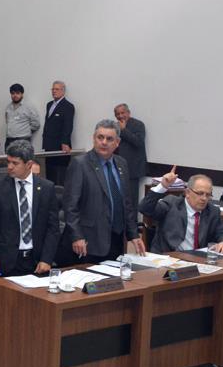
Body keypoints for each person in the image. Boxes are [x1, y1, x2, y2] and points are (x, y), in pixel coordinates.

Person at [62, 119, 145, 264]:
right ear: (94, 139)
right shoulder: (80, 164)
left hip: (116, 238)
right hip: (87, 242)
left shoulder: (122, 163)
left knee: (113, 283)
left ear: (117, 142)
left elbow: (127, 203)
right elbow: (70, 206)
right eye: (100, 137)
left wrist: (134, 234)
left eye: (109, 139)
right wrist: (77, 236)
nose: (104, 142)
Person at [0, 140, 61, 277]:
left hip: (36, 260)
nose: (10, 167)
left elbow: (53, 227)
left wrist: (46, 259)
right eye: (8, 162)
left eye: (15, 163)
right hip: (7, 260)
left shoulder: (46, 188)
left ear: (29, 164)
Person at [139, 168, 223, 254]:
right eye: (200, 193)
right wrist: (162, 186)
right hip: (168, 257)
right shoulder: (172, 204)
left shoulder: (212, 211)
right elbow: (145, 208)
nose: (204, 198)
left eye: (208, 195)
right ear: (188, 193)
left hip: (197, 260)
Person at [114, 103, 147, 206]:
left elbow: (138, 142)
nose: (120, 116)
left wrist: (124, 130)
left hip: (132, 169)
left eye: (122, 113)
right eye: (117, 114)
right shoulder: (114, 126)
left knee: (131, 200)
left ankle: (132, 222)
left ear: (128, 113)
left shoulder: (138, 124)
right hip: (117, 167)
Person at [42, 81, 75, 185]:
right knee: (50, 175)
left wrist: (65, 142)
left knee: (61, 176)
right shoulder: (49, 105)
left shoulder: (68, 106)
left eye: (57, 89)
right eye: (53, 89)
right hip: (49, 146)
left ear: (63, 91)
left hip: (61, 147)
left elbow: (68, 125)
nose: (54, 91)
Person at [4, 83, 40, 147]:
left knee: (23, 157)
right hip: (9, 140)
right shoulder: (8, 107)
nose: (15, 95)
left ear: (22, 94)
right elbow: (7, 121)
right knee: (9, 157)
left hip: (23, 140)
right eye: (13, 93)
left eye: (17, 93)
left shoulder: (29, 107)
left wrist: (25, 131)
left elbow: (36, 124)